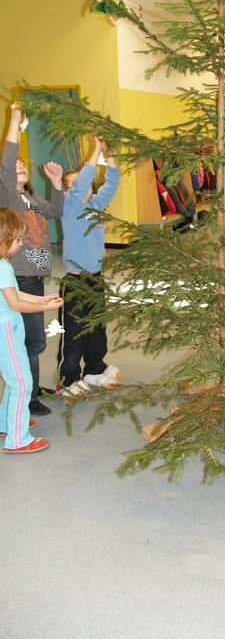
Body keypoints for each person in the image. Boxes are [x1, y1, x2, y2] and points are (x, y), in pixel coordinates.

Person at [0, 102, 64, 417]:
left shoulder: (32, 199)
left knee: (33, 338)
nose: (20, 166)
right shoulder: (10, 199)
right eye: (15, 166)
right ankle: (28, 396)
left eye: (23, 164)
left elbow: (57, 210)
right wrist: (14, 119)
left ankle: (32, 387)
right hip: (21, 277)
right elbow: (7, 161)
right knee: (32, 339)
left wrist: (56, 184)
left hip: (35, 277)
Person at [57, 137, 121, 396]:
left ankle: (94, 369)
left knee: (96, 331)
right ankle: (69, 379)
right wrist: (95, 150)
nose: (85, 188)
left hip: (95, 279)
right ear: (68, 193)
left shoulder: (95, 205)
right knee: (74, 335)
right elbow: (83, 182)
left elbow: (111, 185)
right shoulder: (70, 208)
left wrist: (109, 154)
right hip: (75, 283)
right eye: (76, 186)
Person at [0, 208, 62, 453]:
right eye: (17, 240)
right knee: (22, 383)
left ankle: (6, 423)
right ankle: (17, 439)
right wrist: (43, 307)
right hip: (6, 330)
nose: (20, 244)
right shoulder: (3, 266)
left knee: (15, 379)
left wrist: (42, 299)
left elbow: (14, 294)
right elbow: (15, 304)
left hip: (9, 328)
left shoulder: (3, 263)